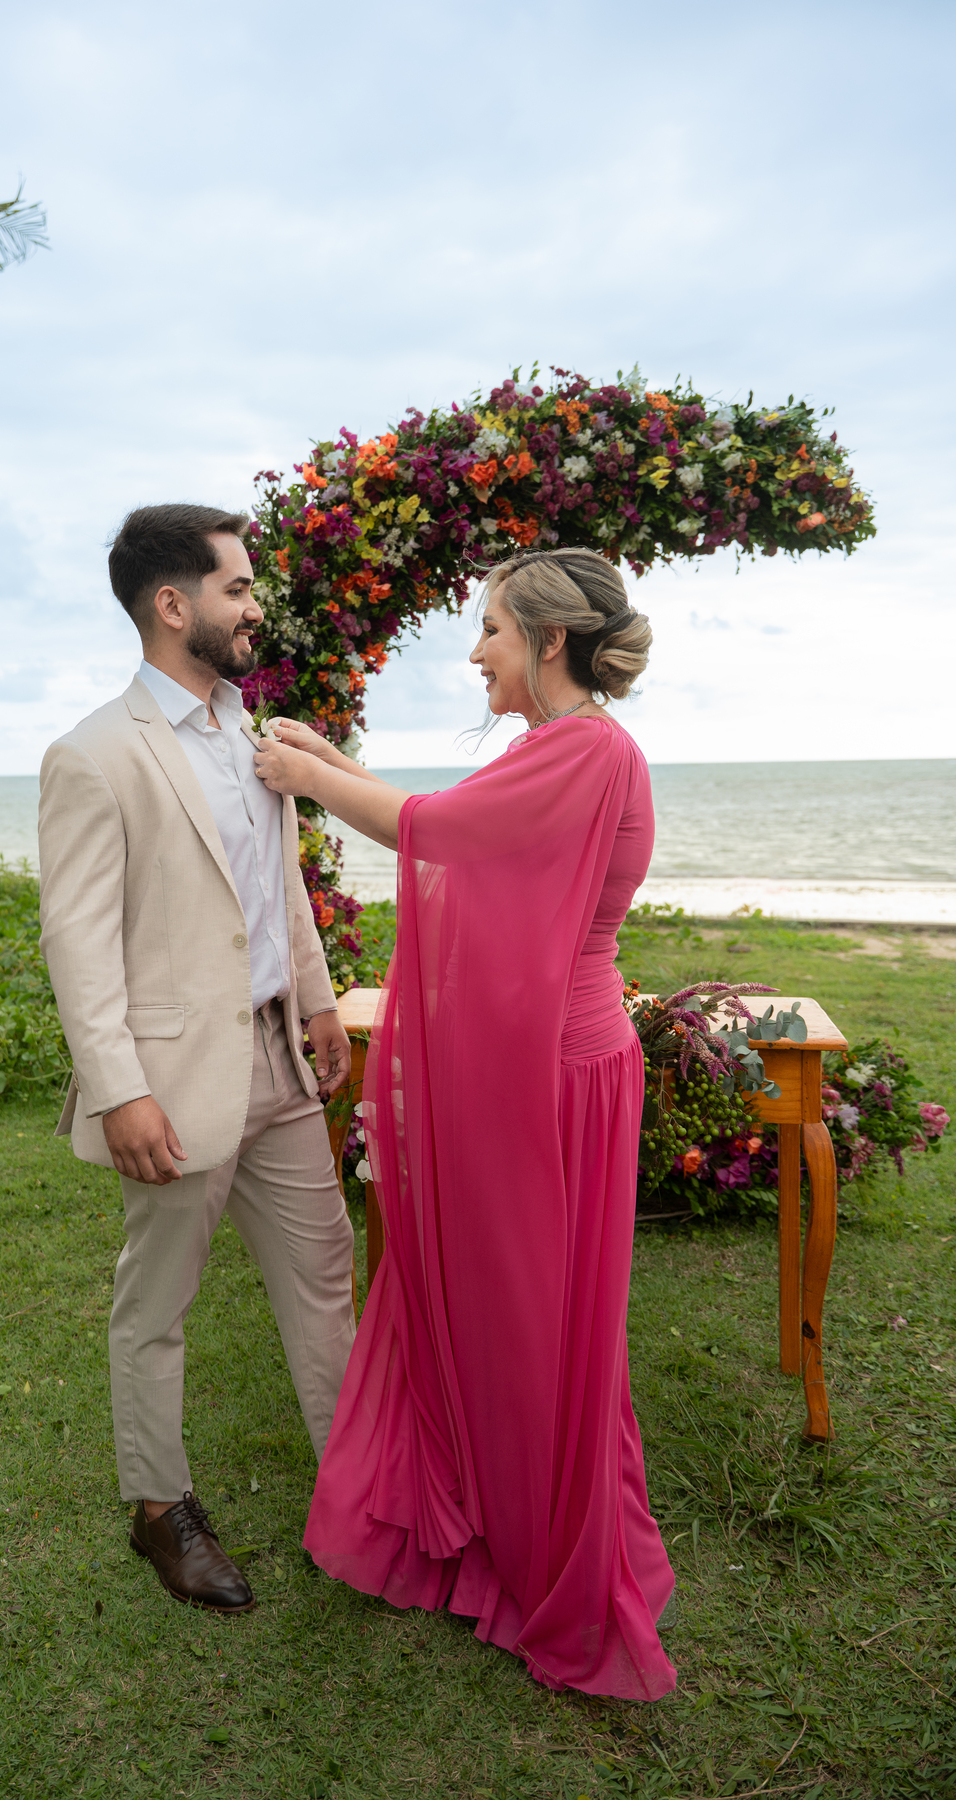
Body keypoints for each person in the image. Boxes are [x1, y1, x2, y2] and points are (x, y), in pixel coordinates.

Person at [253, 547, 677, 1701]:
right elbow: (454, 822)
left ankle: (530, 1542)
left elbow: (435, 835)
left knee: (529, 1311)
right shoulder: (560, 751)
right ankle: (494, 1509)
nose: (475, 651)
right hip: (558, 1063)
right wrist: (330, 761)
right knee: (517, 1304)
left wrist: (301, 770)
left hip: (548, 1074)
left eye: (489, 629)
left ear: (547, 642)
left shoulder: (584, 750)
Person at [38, 503, 357, 1616]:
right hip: (171, 1084)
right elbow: (77, 940)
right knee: (156, 1303)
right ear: (173, 605)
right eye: (238, 588)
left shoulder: (248, 731)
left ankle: (358, 1499)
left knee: (325, 1283)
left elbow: (275, 888)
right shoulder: (93, 755)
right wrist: (121, 1087)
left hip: (280, 1058)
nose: (255, 605)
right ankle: (159, 1511)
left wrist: (315, 1001)